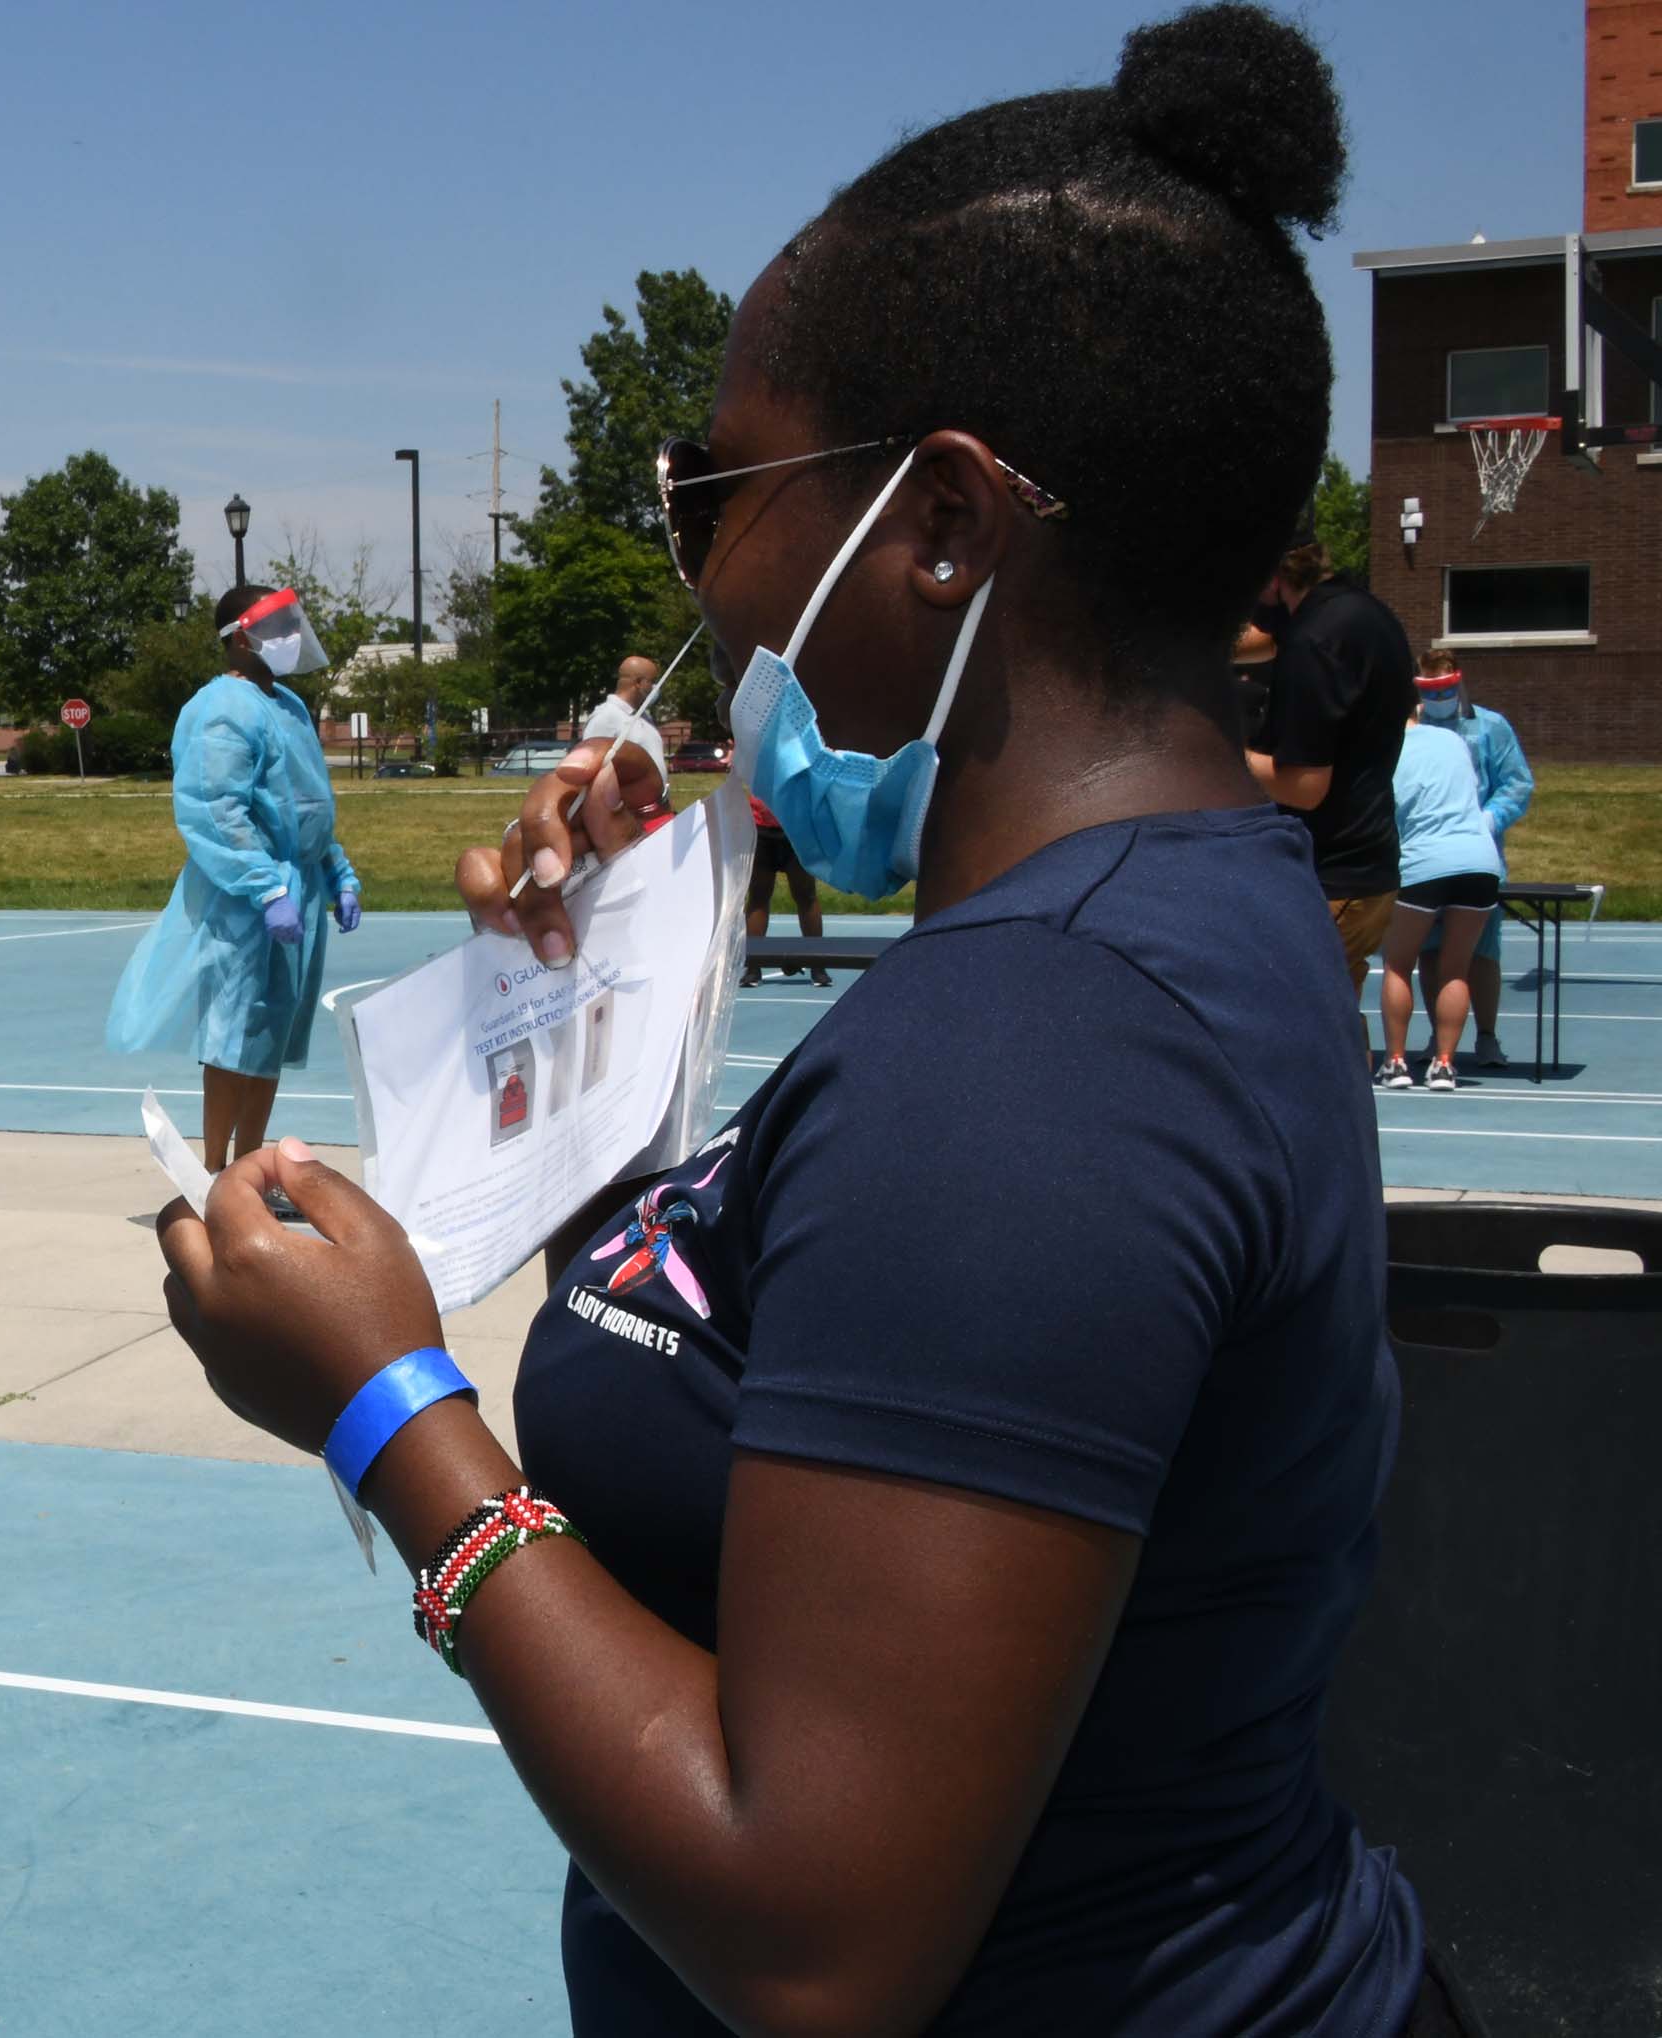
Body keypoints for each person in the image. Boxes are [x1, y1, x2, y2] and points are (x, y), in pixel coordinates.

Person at [156, 8, 1463, 2032]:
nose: (710, 566)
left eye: (724, 486)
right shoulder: (1167, 912)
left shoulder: (1034, 1049)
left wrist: (385, 1412)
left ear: (938, 525)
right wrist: (605, 973)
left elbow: (813, 1935)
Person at [105, 583, 361, 1169]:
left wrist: (333, 868)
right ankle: (216, 1171)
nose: (292, 639)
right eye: (278, 628)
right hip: (243, 903)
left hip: (294, 888)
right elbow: (215, 809)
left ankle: (250, 1168)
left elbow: (305, 804)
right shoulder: (221, 708)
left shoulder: (288, 706)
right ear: (242, 636)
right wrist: (266, 887)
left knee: (270, 1037)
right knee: (231, 1034)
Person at [1246, 522, 1414, 1034]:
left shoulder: (1313, 641)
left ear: (1274, 575)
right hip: (1367, 866)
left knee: (1297, 1030)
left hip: (1332, 876)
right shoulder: (1361, 613)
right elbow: (1262, 641)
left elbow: (1304, 786)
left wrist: (1212, 748)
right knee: (1336, 1028)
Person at [1376, 700, 1504, 1092]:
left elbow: (1386, 814)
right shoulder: (1451, 739)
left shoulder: (1384, 751)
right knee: (1455, 967)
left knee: (1398, 964)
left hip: (1423, 862)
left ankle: (1395, 1062)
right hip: (1480, 860)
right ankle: (1445, 1065)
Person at [1417, 652, 1535, 1067]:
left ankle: (1487, 1036)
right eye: (1429, 691)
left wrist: (1491, 818)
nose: (1440, 697)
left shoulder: (1489, 727)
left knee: (1482, 952)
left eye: (1446, 688)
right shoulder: (1413, 729)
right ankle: (1439, 1035)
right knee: (1429, 951)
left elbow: (1517, 783)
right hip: (1424, 854)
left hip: (1478, 855)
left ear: (1460, 682)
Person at [737, 793, 832, 989]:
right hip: (761, 826)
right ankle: (753, 966)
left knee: (805, 894)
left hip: (796, 826)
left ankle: (817, 964)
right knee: (758, 896)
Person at [579, 653, 669, 780]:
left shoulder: (644, 716)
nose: (655, 688)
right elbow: (588, 767)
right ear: (638, 682)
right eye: (652, 681)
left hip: (657, 798)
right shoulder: (605, 717)